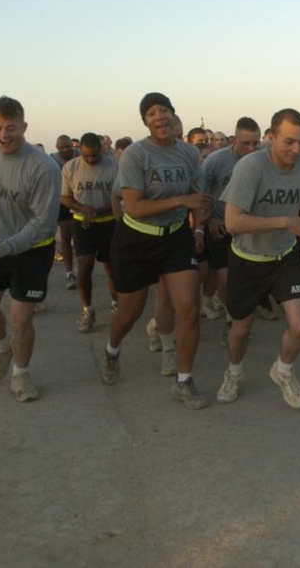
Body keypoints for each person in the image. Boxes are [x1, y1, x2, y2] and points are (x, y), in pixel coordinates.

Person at [98, 92, 212, 409]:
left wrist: (199, 227)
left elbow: (198, 197)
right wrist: (180, 202)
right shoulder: (136, 154)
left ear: (174, 116)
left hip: (175, 237)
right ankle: (111, 350)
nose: (159, 116)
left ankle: (184, 381)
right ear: (145, 122)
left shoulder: (188, 153)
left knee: (188, 308)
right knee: (129, 312)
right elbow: (132, 206)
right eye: (151, 113)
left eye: (164, 110)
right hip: (136, 239)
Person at [215, 109, 300, 408]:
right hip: (246, 258)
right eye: (289, 142)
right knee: (241, 328)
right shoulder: (251, 167)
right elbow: (233, 222)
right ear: (271, 137)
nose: (297, 150)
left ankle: (283, 369)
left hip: (284, 256)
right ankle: (235, 372)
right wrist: (285, 221)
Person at [0, 97, 61, 402]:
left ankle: (21, 375)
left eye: (10, 128)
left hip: (31, 250)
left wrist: (3, 249)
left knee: (21, 318)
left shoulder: (43, 167)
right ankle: (1, 347)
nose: (3, 135)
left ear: (24, 126)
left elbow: (43, 225)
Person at [201, 117, 262, 340]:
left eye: (256, 143)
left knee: (245, 280)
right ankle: (231, 321)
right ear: (234, 140)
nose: (252, 148)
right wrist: (208, 223)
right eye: (246, 143)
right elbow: (202, 196)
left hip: (250, 228)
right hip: (220, 226)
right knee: (225, 278)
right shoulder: (215, 162)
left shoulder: (263, 160)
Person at [60, 132, 121, 332]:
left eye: (94, 155)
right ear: (81, 151)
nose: (90, 159)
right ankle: (87, 309)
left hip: (108, 223)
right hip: (82, 224)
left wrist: (95, 210)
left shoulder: (113, 166)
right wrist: (82, 208)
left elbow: (120, 198)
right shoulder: (71, 167)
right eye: (86, 155)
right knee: (84, 267)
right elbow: (65, 198)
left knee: (110, 267)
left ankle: (116, 302)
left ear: (101, 150)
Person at [50, 135, 77, 290]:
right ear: (57, 147)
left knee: (79, 236)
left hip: (79, 200)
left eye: (67, 146)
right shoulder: (52, 161)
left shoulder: (79, 157)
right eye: (62, 147)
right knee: (65, 235)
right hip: (61, 201)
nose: (65, 150)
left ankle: (80, 266)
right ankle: (69, 272)